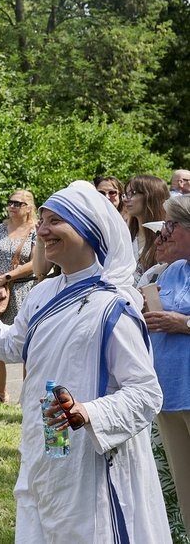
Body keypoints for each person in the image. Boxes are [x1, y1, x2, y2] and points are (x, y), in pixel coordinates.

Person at [0, 181, 169, 543]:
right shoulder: (42, 293)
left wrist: (88, 411)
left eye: (56, 221)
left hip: (91, 462)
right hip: (44, 449)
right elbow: (14, 343)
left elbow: (146, 394)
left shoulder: (114, 306)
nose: (42, 231)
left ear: (89, 230)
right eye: (41, 221)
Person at [143, 194, 190, 536]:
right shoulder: (172, 270)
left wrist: (183, 323)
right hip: (169, 396)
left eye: (171, 225)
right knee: (186, 490)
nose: (164, 232)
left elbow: (178, 321)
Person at [0, 190, 37, 405]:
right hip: (0, 292)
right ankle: (1, 393)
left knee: (28, 343)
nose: (12, 206)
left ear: (28, 207)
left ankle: (26, 396)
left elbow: (35, 263)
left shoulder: (35, 230)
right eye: (10, 202)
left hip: (25, 290)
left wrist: (6, 277)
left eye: (18, 203)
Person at [124, 174, 169, 279]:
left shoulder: (169, 237)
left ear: (152, 196)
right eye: (126, 194)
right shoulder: (126, 235)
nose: (126, 199)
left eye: (133, 193)